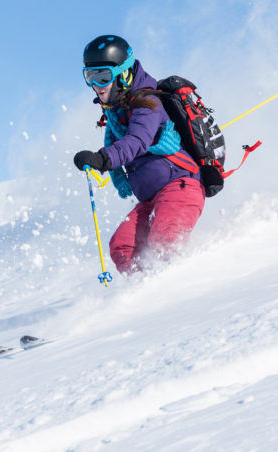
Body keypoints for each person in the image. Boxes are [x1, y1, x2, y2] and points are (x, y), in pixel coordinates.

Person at [73, 35, 205, 275]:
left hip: (181, 186)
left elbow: (137, 141)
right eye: (90, 76)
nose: (97, 85)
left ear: (123, 74)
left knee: (164, 243)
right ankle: (140, 293)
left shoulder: (147, 102)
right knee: (122, 247)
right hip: (151, 198)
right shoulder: (115, 111)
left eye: (103, 76)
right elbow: (120, 141)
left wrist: (102, 159)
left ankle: (176, 294)